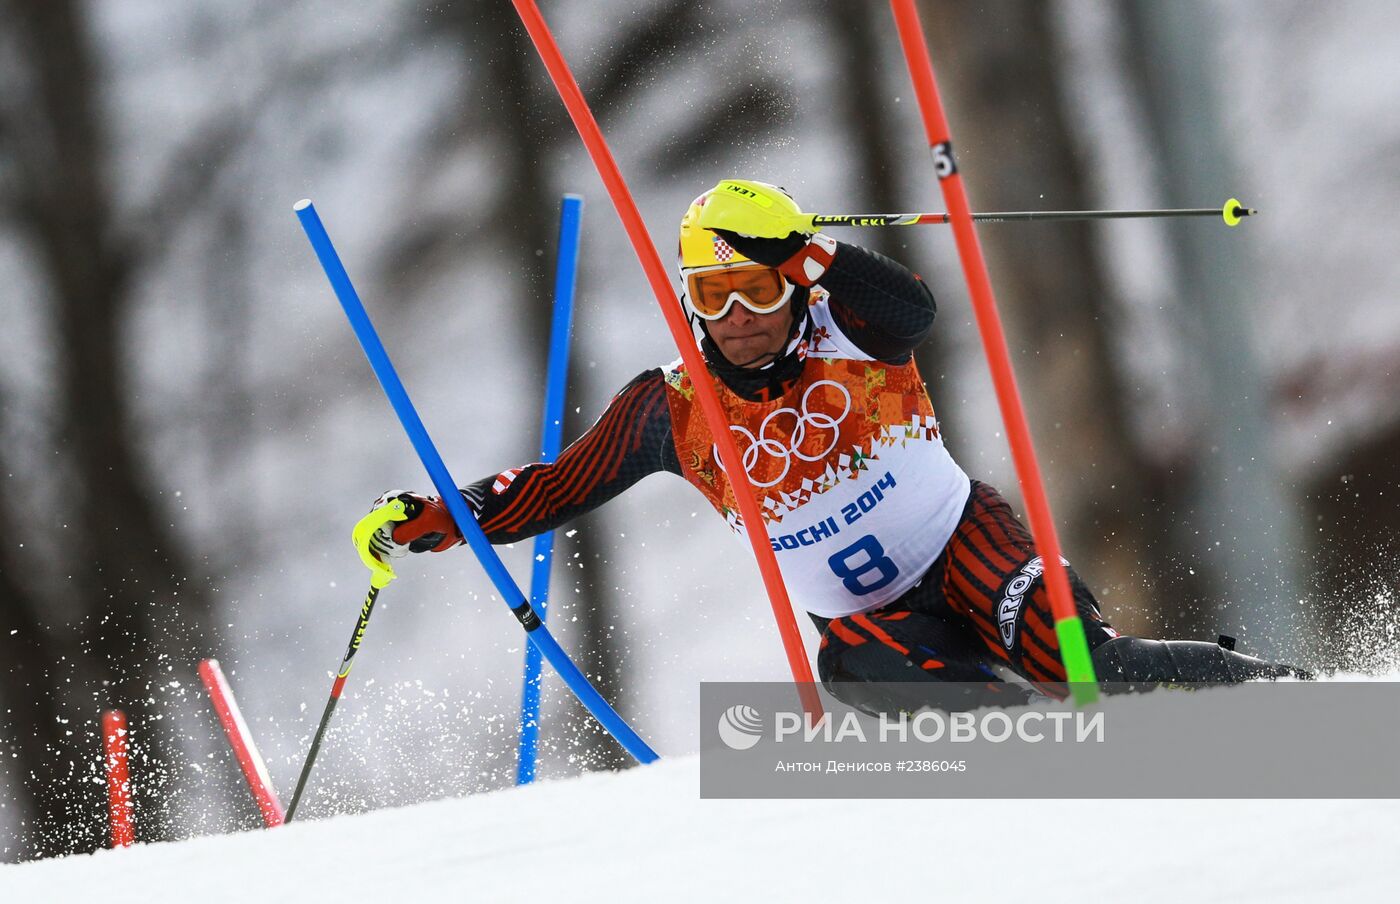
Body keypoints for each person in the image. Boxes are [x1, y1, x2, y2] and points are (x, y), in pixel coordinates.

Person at [361, 179, 1307, 714]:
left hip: (964, 547)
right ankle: (1022, 754)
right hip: (874, 622)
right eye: (713, 297)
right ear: (687, 302)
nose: (739, 321)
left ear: (794, 287)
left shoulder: (844, 328)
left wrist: (813, 255)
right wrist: (439, 518)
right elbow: (555, 487)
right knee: (859, 673)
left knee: (1080, 665)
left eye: (758, 293)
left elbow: (916, 308)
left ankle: (1284, 699)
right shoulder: (672, 411)